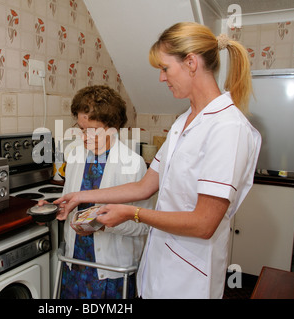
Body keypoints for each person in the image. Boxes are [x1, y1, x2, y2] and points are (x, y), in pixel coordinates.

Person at [55, 22, 262, 299]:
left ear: (191, 63)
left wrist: (132, 213)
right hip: (159, 265)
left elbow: (204, 223)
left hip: (190, 276)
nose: (161, 78)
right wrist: (79, 196)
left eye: (165, 68)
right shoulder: (182, 122)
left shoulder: (228, 128)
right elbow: (144, 187)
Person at [53, 85, 150, 299]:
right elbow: (73, 204)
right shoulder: (76, 157)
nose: (84, 136)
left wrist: (101, 226)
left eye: (91, 130)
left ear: (112, 127)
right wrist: (53, 210)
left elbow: (143, 226)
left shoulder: (133, 165)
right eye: (81, 129)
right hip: (75, 265)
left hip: (110, 273)